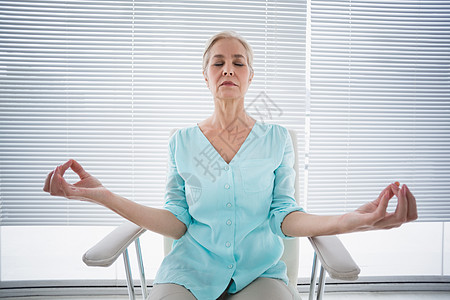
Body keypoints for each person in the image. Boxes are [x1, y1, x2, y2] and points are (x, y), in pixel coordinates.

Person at [43, 31, 418, 300]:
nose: (228, 69)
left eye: (238, 63)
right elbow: (175, 220)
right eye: (218, 62)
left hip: (259, 274)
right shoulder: (182, 143)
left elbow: (284, 216)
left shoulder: (276, 139)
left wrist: (348, 221)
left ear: (249, 77)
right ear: (205, 77)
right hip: (188, 273)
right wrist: (104, 196)